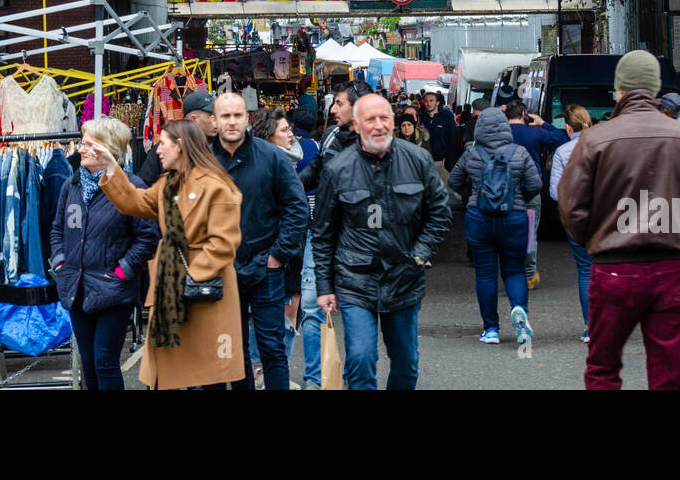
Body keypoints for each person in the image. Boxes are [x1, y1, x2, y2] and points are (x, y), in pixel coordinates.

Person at [557, 50, 680, 391]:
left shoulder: (594, 139)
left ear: (618, 90)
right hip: (672, 268)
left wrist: (598, 238)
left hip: (613, 268)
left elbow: (571, 206)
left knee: (603, 368)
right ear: (654, 89)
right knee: (668, 375)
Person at [89, 117, 244, 390]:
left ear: (180, 146)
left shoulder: (217, 185)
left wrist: (186, 278)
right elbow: (133, 202)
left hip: (203, 292)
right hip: (174, 291)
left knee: (209, 376)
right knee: (166, 375)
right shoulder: (168, 184)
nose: (157, 151)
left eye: (162, 144)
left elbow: (223, 244)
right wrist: (112, 166)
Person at [312, 94, 452, 390]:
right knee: (360, 360)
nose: (379, 126)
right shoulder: (337, 168)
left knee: (406, 363)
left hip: (404, 278)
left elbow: (440, 214)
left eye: (384, 118)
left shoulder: (418, 159)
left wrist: (419, 254)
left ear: (395, 121)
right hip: (355, 280)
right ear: (357, 124)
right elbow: (323, 232)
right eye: (370, 120)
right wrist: (324, 286)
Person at [49, 117, 160, 390]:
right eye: (82, 143)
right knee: (88, 363)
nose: (80, 149)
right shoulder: (71, 185)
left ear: (108, 149)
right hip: (76, 288)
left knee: (105, 362)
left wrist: (123, 270)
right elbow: (57, 229)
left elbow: (147, 237)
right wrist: (61, 263)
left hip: (113, 290)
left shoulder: (132, 186)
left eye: (88, 144)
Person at [210, 93, 308, 390]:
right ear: (214, 121)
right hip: (220, 269)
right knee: (230, 348)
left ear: (247, 118)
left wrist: (277, 254)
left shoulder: (272, 156)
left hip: (266, 267)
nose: (232, 122)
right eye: (225, 116)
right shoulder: (202, 159)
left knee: (271, 348)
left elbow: (297, 207)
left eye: (237, 115)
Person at [448, 107, 542, 346]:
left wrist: (472, 195)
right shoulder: (519, 152)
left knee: (485, 273)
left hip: (479, 217)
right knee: (514, 270)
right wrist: (518, 197)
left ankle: (490, 329)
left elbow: (454, 180)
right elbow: (535, 184)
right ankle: (519, 311)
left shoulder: (472, 153)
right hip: (514, 218)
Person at [504, 99, 567, 288]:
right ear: (524, 115)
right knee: (530, 233)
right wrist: (543, 123)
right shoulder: (535, 132)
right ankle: (529, 275)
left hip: (504, 192)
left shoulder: (499, 133)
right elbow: (562, 139)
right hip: (530, 191)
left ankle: (511, 274)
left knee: (507, 234)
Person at [548, 103, 595, 342]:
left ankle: (591, 327)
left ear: (568, 127)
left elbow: (556, 192)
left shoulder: (563, 152)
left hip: (575, 217)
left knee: (586, 270)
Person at [137, 91, 216, 186]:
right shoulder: (166, 147)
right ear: (193, 119)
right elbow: (145, 186)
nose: (215, 120)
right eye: (210, 116)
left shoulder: (221, 145)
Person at [421, 91, 456, 173]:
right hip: (423, 160)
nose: (428, 104)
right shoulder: (421, 118)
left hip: (441, 161)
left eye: (431, 101)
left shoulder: (446, 118)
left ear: (437, 103)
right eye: (426, 101)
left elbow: (453, 139)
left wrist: (448, 158)